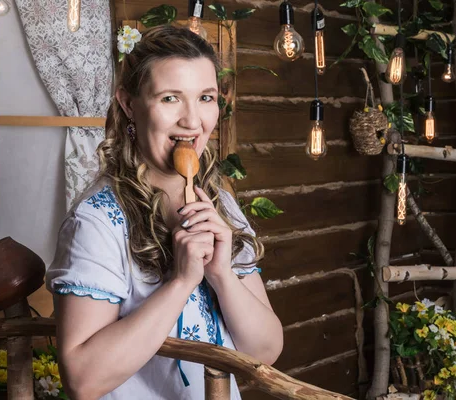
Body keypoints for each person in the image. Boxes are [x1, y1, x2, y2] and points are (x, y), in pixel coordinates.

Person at [46, 25, 283, 400]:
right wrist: (181, 282)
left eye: (205, 97)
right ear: (128, 104)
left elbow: (264, 351)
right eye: (171, 98)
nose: (192, 121)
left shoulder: (219, 204)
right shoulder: (97, 221)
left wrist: (221, 273)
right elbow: (83, 379)